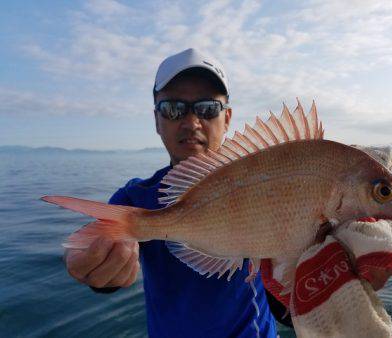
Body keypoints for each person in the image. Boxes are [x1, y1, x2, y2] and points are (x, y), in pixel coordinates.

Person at [64, 48, 279, 337]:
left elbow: (284, 290)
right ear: (156, 120)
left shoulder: (266, 184)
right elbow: (101, 241)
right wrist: (95, 265)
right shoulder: (136, 198)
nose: (191, 123)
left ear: (227, 119)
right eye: (173, 108)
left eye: (207, 109)